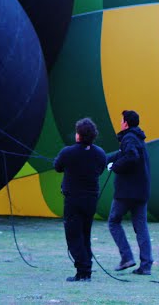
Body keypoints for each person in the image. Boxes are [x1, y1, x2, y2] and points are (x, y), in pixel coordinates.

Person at [53, 117, 107, 282]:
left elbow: (57, 167)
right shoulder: (99, 153)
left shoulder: (68, 152)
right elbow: (100, 169)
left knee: (74, 236)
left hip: (73, 200)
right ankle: (86, 270)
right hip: (91, 200)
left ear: (78, 135)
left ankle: (82, 271)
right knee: (85, 234)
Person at [107, 109, 153, 275]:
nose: (120, 123)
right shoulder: (138, 138)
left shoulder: (129, 138)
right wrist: (105, 159)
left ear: (125, 123)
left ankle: (126, 257)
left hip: (127, 192)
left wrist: (115, 167)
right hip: (141, 191)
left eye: (121, 121)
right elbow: (122, 154)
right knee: (141, 227)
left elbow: (130, 156)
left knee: (113, 221)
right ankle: (146, 265)